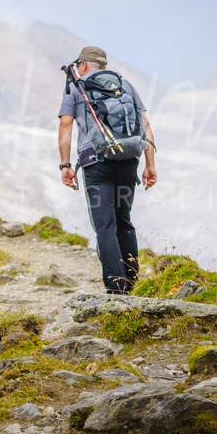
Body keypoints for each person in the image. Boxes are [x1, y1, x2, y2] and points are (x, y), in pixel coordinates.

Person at [58, 46, 157, 294]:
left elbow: (65, 125)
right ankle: (132, 284)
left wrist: (66, 165)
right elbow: (145, 124)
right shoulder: (125, 85)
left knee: (105, 226)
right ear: (103, 66)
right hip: (128, 162)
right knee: (124, 222)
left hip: (96, 165)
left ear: (82, 65)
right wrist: (150, 165)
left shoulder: (76, 87)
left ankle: (116, 289)